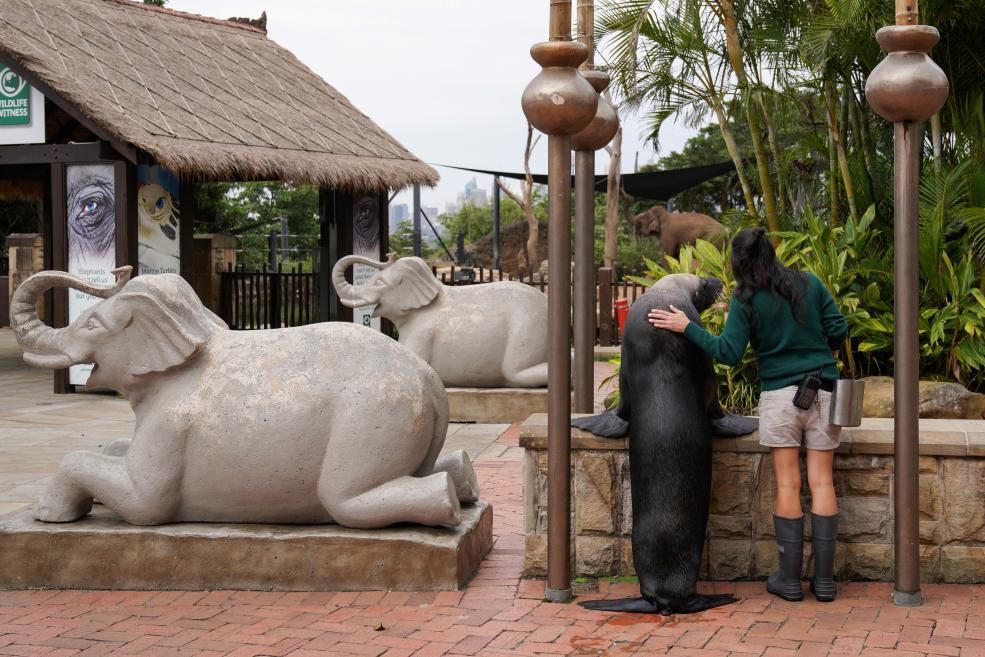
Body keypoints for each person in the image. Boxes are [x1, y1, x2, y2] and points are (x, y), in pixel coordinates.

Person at [648, 227, 847, 603]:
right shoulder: (810, 283)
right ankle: (824, 583)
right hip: (823, 389)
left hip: (780, 397)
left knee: (788, 484)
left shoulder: (747, 300)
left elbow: (727, 352)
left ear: (739, 263)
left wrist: (687, 327)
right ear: (771, 253)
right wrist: (819, 352)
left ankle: (789, 582)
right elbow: (838, 328)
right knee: (822, 482)